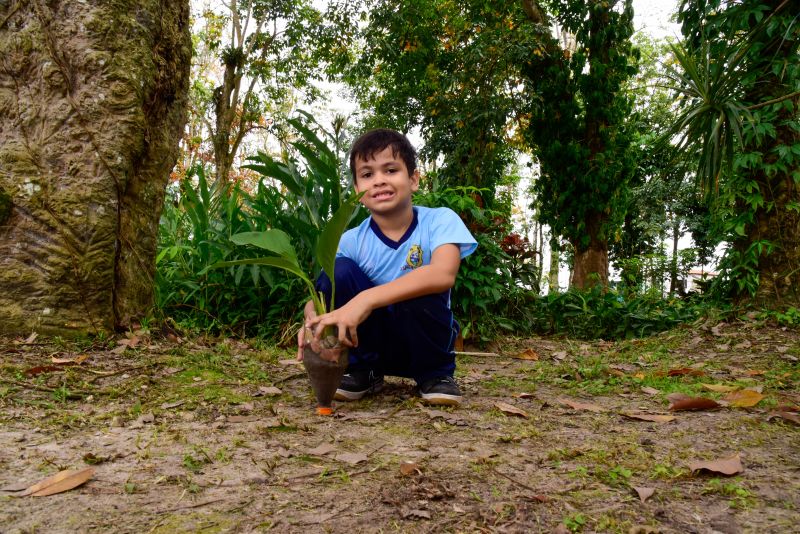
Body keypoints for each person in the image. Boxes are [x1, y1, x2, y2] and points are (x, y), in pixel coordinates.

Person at [298, 128, 477, 406]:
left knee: (422, 281)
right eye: (367, 175)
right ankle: (362, 371)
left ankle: (436, 375)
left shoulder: (439, 221)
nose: (379, 181)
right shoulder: (351, 240)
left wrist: (366, 299)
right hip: (368, 343)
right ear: (357, 190)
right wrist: (312, 323)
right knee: (339, 271)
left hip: (424, 342)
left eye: (390, 170)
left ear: (414, 179)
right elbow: (321, 297)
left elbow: (444, 273)